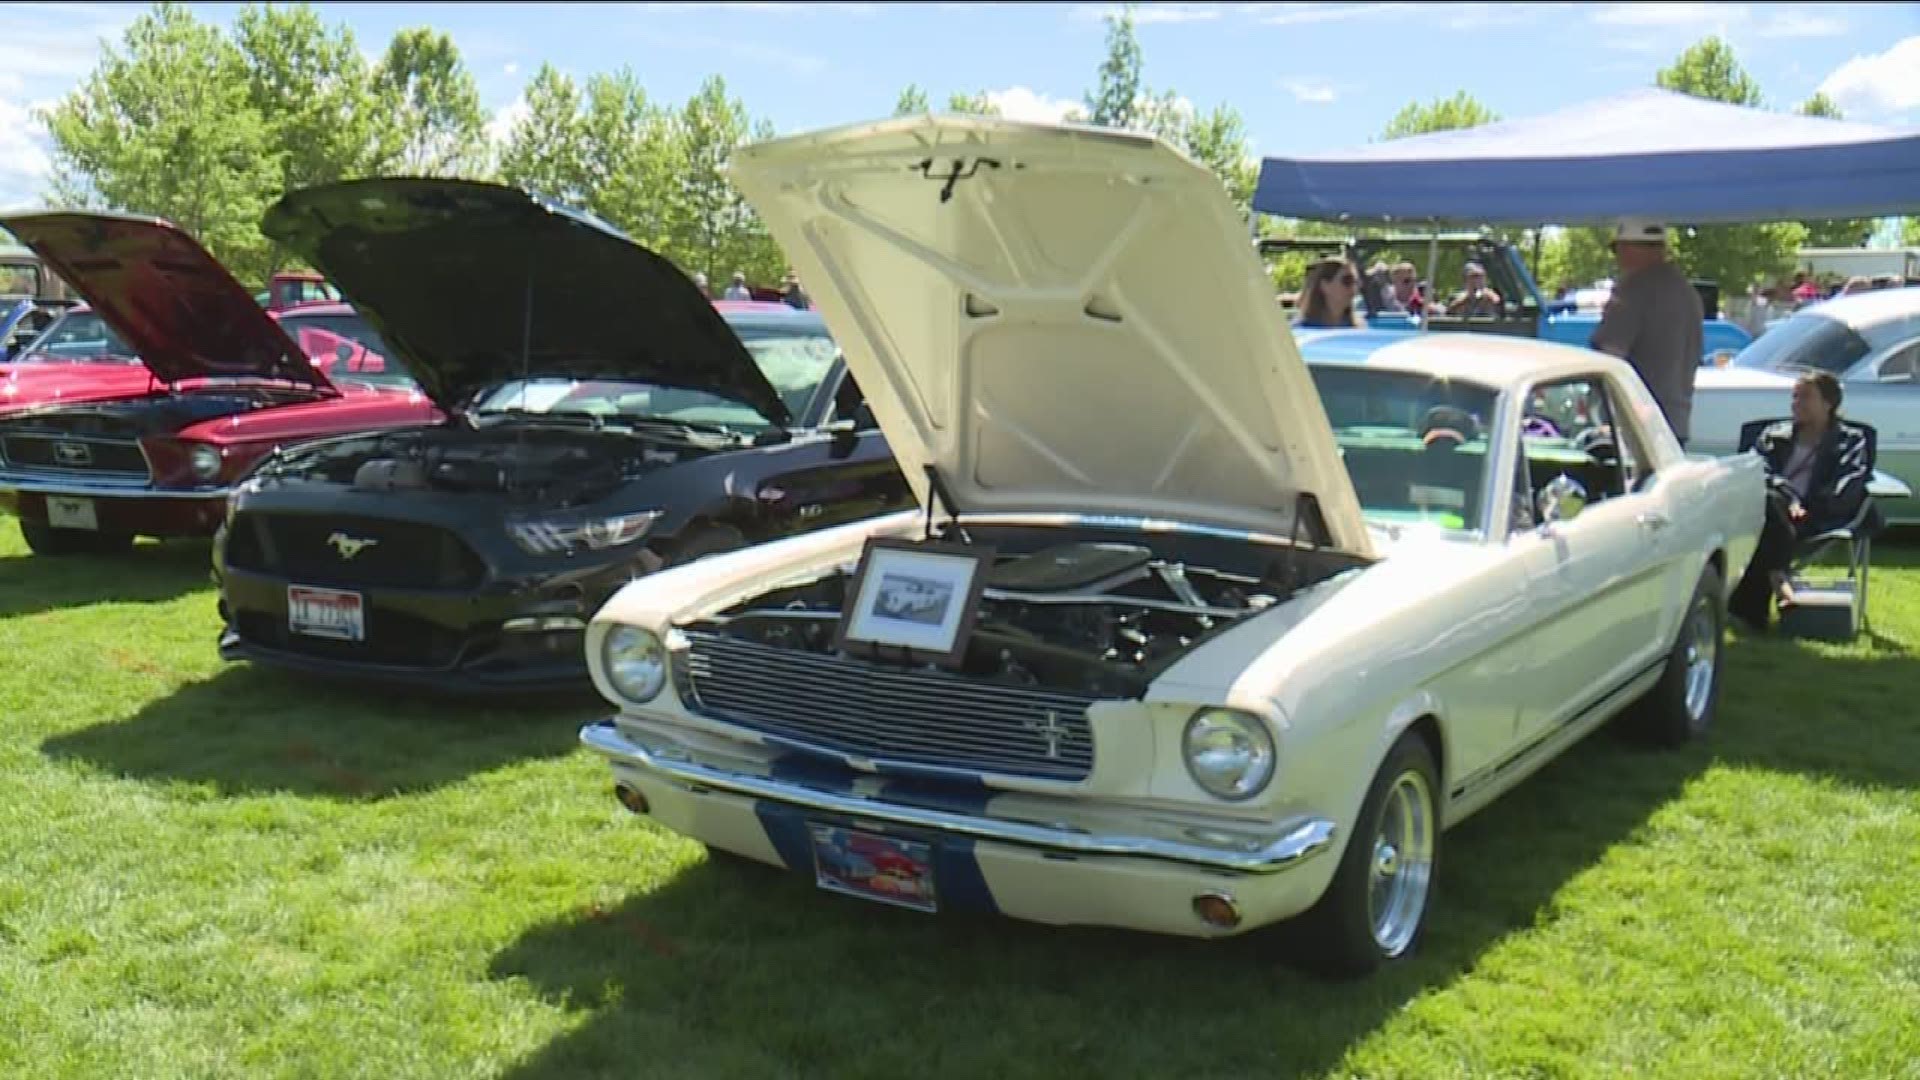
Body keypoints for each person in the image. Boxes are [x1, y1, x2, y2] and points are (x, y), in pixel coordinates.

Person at [1728, 371, 1873, 632]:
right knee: (1771, 501)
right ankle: (1777, 578)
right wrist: (1790, 496)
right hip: (1770, 509)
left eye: (1805, 397)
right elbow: (1756, 470)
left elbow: (1850, 481)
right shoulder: (1774, 435)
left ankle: (1754, 607)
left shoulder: (1850, 441)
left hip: (1815, 516)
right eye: (1794, 397)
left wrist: (1809, 506)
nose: (1796, 403)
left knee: (1767, 526)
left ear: (1828, 403)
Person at [1589, 219, 1702, 447]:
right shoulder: (1687, 292)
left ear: (1629, 248)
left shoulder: (1633, 290)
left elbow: (1610, 356)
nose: (1617, 257)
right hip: (1675, 422)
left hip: (1637, 426)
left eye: (1617, 248)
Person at [1294, 257, 1366, 328]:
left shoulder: (1359, 328)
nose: (1354, 288)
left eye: (1355, 282)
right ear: (1324, 285)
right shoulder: (1300, 329)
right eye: (1347, 281)